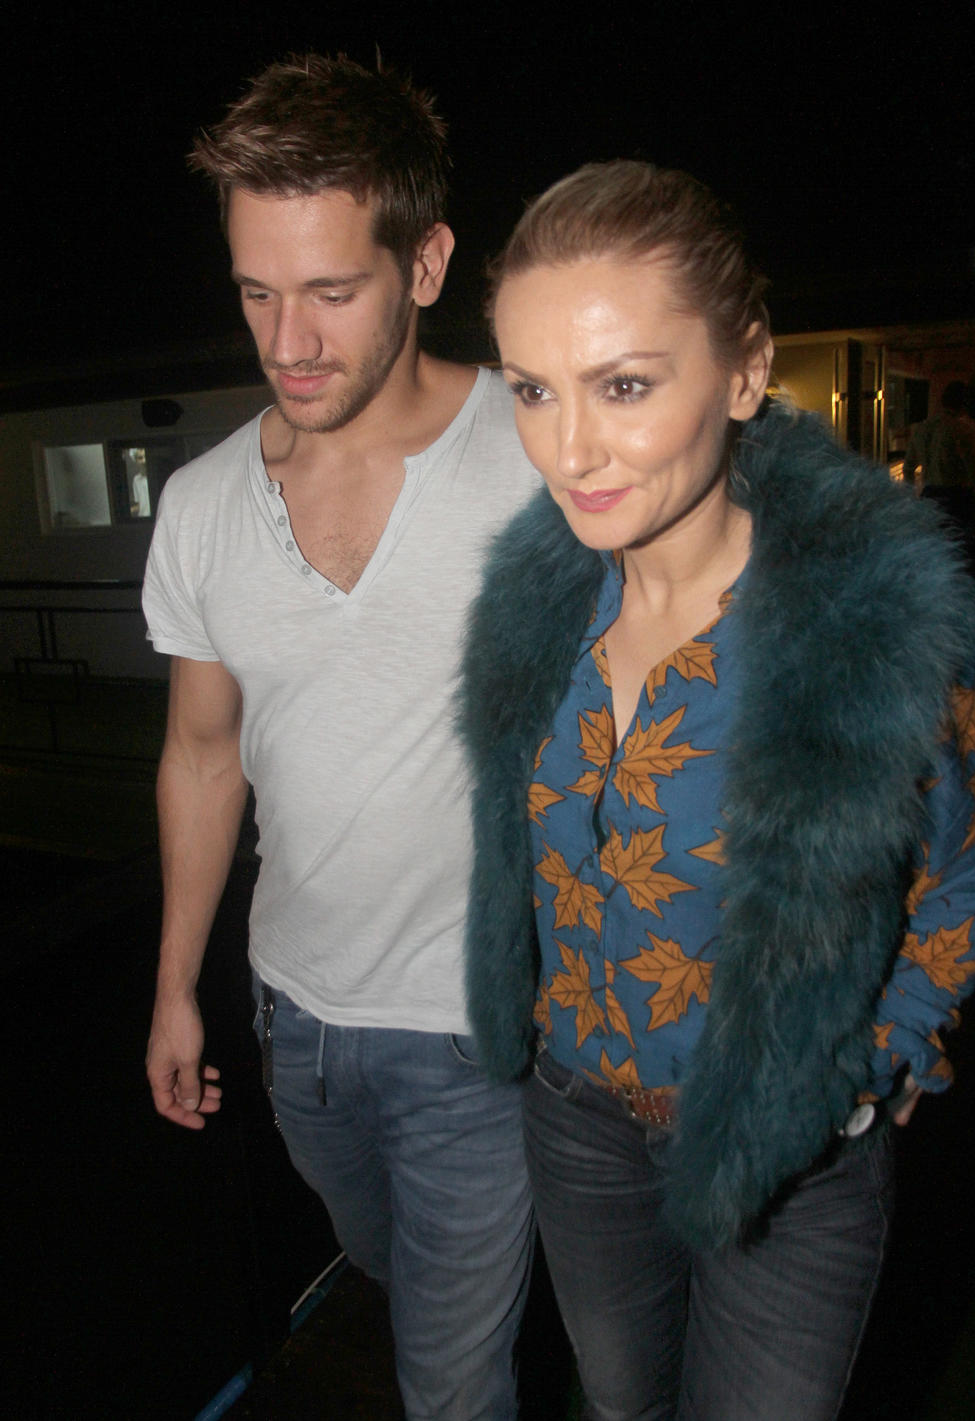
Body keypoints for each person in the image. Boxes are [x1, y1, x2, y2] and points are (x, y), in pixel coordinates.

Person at [460, 161, 975, 1420]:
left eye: (624, 385)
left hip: (789, 1151)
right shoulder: (535, 604)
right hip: (572, 1115)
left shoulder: (882, 625)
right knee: (619, 1402)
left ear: (746, 371)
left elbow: (967, 876)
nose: (568, 450)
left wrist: (855, 1074)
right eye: (533, 390)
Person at [142, 54, 538, 1420]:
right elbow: (203, 754)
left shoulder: (544, 458)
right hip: (294, 1021)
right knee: (382, 1269)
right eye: (257, 291)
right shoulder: (201, 506)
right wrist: (176, 986)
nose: (288, 340)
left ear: (425, 265)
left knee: (451, 1380)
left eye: (329, 290)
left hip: (482, 1035)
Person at [903, 380, 975, 572]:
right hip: (957, 498)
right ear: (964, 403)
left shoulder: (922, 428)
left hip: (930, 496)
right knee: (962, 555)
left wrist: (912, 500)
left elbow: (908, 468)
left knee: (934, 553)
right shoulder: (964, 429)